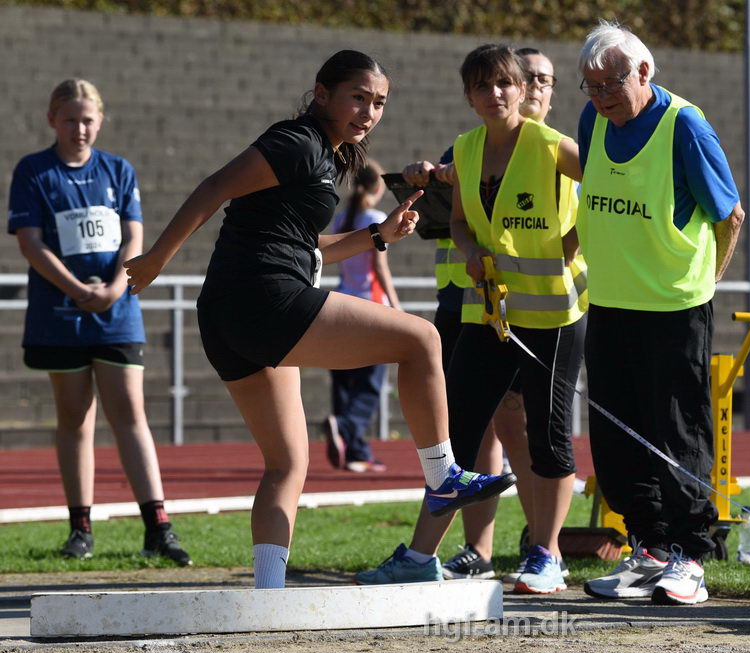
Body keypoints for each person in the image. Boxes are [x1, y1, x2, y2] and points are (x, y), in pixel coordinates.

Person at [123, 50, 516, 589]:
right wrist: (156, 261)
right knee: (422, 338)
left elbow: (304, 249)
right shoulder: (296, 142)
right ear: (323, 93)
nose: (369, 112)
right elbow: (214, 187)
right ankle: (443, 475)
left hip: (227, 317)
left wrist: (379, 235)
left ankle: (268, 590)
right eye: (359, 97)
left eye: (379, 103)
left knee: (286, 462)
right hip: (263, 300)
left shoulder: (328, 158)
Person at [358, 44, 585, 595]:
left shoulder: (553, 146)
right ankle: (419, 556)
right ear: (469, 96)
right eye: (483, 87)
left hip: (554, 315)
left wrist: (571, 245)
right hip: (492, 311)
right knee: (453, 436)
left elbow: (604, 193)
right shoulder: (468, 149)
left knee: (549, 438)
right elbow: (459, 223)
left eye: (505, 83)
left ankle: (546, 554)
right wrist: (471, 252)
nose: (496, 94)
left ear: (524, 88)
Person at [574, 21, 744, 605]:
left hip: (674, 307)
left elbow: (731, 217)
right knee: (617, 435)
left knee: (678, 431)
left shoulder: (685, 126)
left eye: (612, 82)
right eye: (590, 86)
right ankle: (645, 548)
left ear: (645, 72)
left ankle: (690, 555)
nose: (601, 96)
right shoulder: (592, 121)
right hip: (611, 302)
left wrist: (706, 283)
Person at [7, 79, 191, 565]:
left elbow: (134, 233)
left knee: (130, 415)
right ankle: (80, 528)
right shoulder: (33, 171)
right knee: (74, 420)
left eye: (88, 119)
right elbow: (31, 242)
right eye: (70, 119)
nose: (79, 128)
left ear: (100, 121)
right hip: (60, 316)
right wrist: (77, 289)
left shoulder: (118, 170)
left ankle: (158, 527)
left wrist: (112, 288)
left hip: (116, 313)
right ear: (52, 119)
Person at [323, 159, 399, 473]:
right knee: (370, 381)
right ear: (378, 187)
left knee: (344, 379)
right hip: (371, 306)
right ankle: (346, 425)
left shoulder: (342, 219)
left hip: (341, 303)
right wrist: (396, 305)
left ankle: (354, 451)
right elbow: (379, 268)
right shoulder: (376, 218)